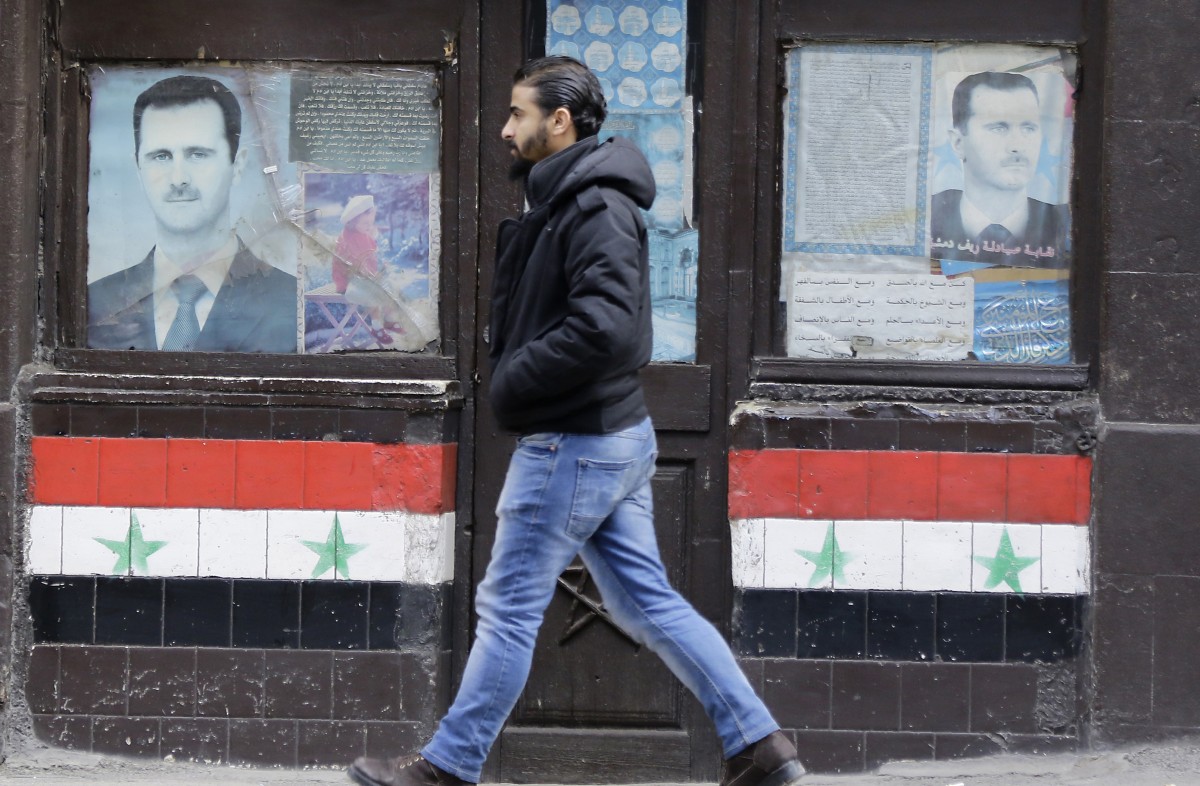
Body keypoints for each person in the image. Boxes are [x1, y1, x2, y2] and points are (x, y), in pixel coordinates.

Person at [348, 56, 806, 786]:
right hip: (608, 437)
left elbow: (610, 331)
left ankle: (448, 766)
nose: (504, 129)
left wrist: (513, 379)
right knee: (645, 601)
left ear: (559, 122)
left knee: (507, 607)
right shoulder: (569, 198)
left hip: (575, 441)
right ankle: (760, 744)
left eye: (518, 115)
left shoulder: (595, 206)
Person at [87, 74, 297, 352]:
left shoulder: (292, 303)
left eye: (198, 154)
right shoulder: (93, 305)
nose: (178, 178)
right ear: (138, 169)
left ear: (237, 165)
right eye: (161, 156)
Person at [930, 71, 1069, 269]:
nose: (1017, 146)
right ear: (958, 143)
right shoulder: (926, 219)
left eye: (1028, 128)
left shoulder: (1065, 223)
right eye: (998, 128)